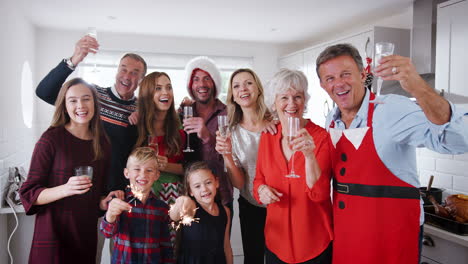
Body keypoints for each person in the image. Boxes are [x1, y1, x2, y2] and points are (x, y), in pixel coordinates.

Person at [316, 43, 468, 264]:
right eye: (329, 78)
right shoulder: (332, 118)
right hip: (347, 233)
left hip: (390, 234)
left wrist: (418, 87)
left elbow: (455, 142)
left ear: (362, 74)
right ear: (322, 85)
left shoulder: (391, 109)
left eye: (345, 74)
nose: (338, 83)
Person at [19, 78, 119, 264]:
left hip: (84, 234)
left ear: (95, 104)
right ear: (64, 106)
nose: (80, 105)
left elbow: (96, 193)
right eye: (72, 100)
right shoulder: (51, 140)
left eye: (86, 99)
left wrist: (103, 202)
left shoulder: (102, 143)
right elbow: (28, 193)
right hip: (53, 235)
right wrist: (65, 189)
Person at [35, 34, 147, 192]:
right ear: (116, 71)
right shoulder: (92, 95)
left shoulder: (141, 110)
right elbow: (44, 92)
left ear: (142, 80)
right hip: (79, 183)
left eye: (134, 73)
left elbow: (139, 155)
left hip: (115, 191)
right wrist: (74, 60)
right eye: (123, 69)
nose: (127, 76)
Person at [253, 69, 333, 264]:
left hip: (313, 242)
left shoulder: (321, 138)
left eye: (298, 96)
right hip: (276, 241)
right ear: (274, 103)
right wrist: (261, 191)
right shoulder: (267, 136)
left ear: (305, 101)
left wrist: (309, 157)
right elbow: (258, 181)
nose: (291, 103)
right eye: (284, 97)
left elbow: (320, 194)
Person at [215, 68, 276, 263]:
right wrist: (226, 156)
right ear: (232, 95)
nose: (243, 89)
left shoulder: (276, 121)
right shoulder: (231, 131)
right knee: (253, 258)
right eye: (236, 85)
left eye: (248, 83)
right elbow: (239, 184)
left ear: (257, 87)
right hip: (251, 205)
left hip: (281, 203)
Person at [100, 147, 174, 264]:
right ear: (126, 173)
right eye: (137, 169)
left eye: (149, 170)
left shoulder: (162, 208)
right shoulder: (118, 201)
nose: (143, 174)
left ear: (157, 175)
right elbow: (107, 232)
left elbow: (165, 244)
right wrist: (110, 214)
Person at [182, 56, 232, 208]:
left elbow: (232, 157)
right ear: (191, 85)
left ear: (215, 83)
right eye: (196, 79)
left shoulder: (228, 114)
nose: (201, 84)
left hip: (220, 193)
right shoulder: (183, 111)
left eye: (207, 79)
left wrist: (207, 137)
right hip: (189, 194)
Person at [135, 71, 185, 204]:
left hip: (174, 194)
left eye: (169, 87)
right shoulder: (136, 126)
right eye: (158, 88)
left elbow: (190, 167)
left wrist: (166, 166)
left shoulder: (181, 125)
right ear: (147, 94)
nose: (166, 92)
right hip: (142, 194)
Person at [169, 161, 233, 264]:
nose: (204, 189)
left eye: (208, 182)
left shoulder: (225, 211)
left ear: (216, 182)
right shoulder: (191, 207)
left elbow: (226, 246)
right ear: (190, 191)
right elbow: (174, 216)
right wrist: (182, 201)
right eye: (197, 186)